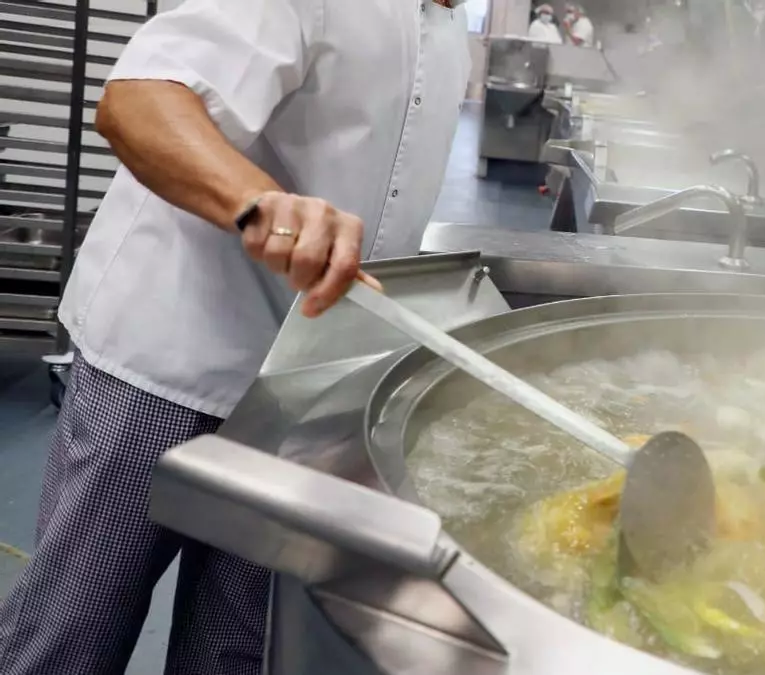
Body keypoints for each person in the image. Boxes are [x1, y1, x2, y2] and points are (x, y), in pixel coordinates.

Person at [0, 0, 470, 673]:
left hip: (297, 387)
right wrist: (260, 204)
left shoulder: (451, 34)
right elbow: (139, 100)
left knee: (234, 650)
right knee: (71, 632)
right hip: (167, 357)